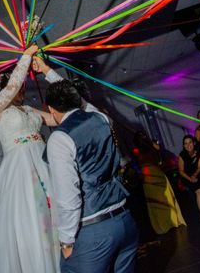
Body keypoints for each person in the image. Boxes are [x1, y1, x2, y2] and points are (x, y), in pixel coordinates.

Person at [0, 45, 60, 273]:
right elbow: (14, 84)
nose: (20, 88)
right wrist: (26, 57)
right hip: (18, 169)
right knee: (29, 216)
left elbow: (55, 120)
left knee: (52, 211)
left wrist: (51, 77)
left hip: (43, 163)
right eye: (16, 85)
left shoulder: (28, 109)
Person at [45, 79, 138, 273]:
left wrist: (66, 241)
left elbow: (68, 197)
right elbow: (86, 106)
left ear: (51, 110)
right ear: (77, 100)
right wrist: (47, 72)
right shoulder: (101, 118)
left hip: (94, 231)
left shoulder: (59, 138)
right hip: (125, 220)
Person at [132, 131, 186, 235]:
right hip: (149, 177)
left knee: (163, 200)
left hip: (154, 175)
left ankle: (169, 222)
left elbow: (158, 149)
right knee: (158, 202)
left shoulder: (149, 147)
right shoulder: (137, 151)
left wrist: (148, 141)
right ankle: (165, 224)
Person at [178, 135, 200, 226]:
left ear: (193, 143)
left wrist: (195, 175)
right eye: (185, 143)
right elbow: (181, 171)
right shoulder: (182, 155)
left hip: (198, 173)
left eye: (190, 142)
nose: (188, 145)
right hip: (187, 176)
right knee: (199, 192)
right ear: (184, 146)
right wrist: (190, 178)